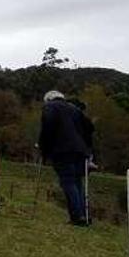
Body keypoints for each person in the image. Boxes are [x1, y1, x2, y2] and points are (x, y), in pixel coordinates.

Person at [38, 90, 92, 226]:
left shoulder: (50, 107)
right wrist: (86, 146)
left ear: (48, 99)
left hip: (62, 150)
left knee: (68, 182)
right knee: (77, 182)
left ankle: (77, 216)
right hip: (80, 151)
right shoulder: (74, 109)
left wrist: (43, 148)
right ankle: (84, 215)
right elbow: (90, 126)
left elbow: (47, 128)